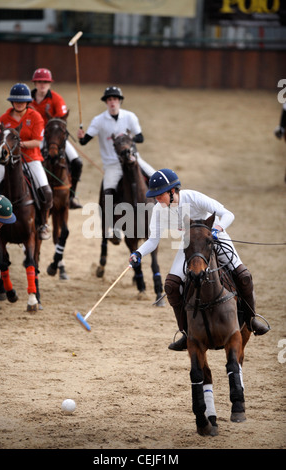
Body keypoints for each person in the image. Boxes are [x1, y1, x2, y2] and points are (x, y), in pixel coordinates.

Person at [129, 169, 270, 351]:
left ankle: (251, 319)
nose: (156, 198)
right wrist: (138, 253)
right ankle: (185, 332)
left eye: (159, 194)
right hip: (190, 246)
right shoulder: (158, 210)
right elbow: (153, 239)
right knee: (171, 285)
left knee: (243, 276)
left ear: (173, 191)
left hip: (216, 237)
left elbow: (228, 214)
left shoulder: (193, 197)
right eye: (154, 195)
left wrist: (216, 229)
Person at [77, 86, 156, 239]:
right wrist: (81, 136)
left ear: (119, 101)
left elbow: (141, 137)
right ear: (106, 102)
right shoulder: (98, 120)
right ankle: (112, 227)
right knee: (108, 192)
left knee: (156, 178)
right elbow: (84, 141)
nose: (112, 102)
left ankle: (162, 214)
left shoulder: (130, 117)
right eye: (109, 99)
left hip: (134, 160)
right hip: (113, 164)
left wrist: (126, 140)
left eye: (115, 99)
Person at [0, 83, 52, 240]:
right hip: (9, 161)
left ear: (28, 102)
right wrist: (4, 141)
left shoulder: (35, 117)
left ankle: (43, 223)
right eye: (16, 101)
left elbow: (38, 141)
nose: (19, 103)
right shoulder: (2, 119)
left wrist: (18, 144)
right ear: (12, 102)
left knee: (47, 191)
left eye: (22, 101)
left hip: (31, 159)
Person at [31, 68, 83, 209]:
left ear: (50, 84)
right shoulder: (28, 99)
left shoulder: (56, 99)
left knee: (77, 162)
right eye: (40, 82)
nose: (43, 85)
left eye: (46, 82)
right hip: (35, 137)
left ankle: (71, 196)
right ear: (35, 83)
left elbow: (61, 119)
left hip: (54, 137)